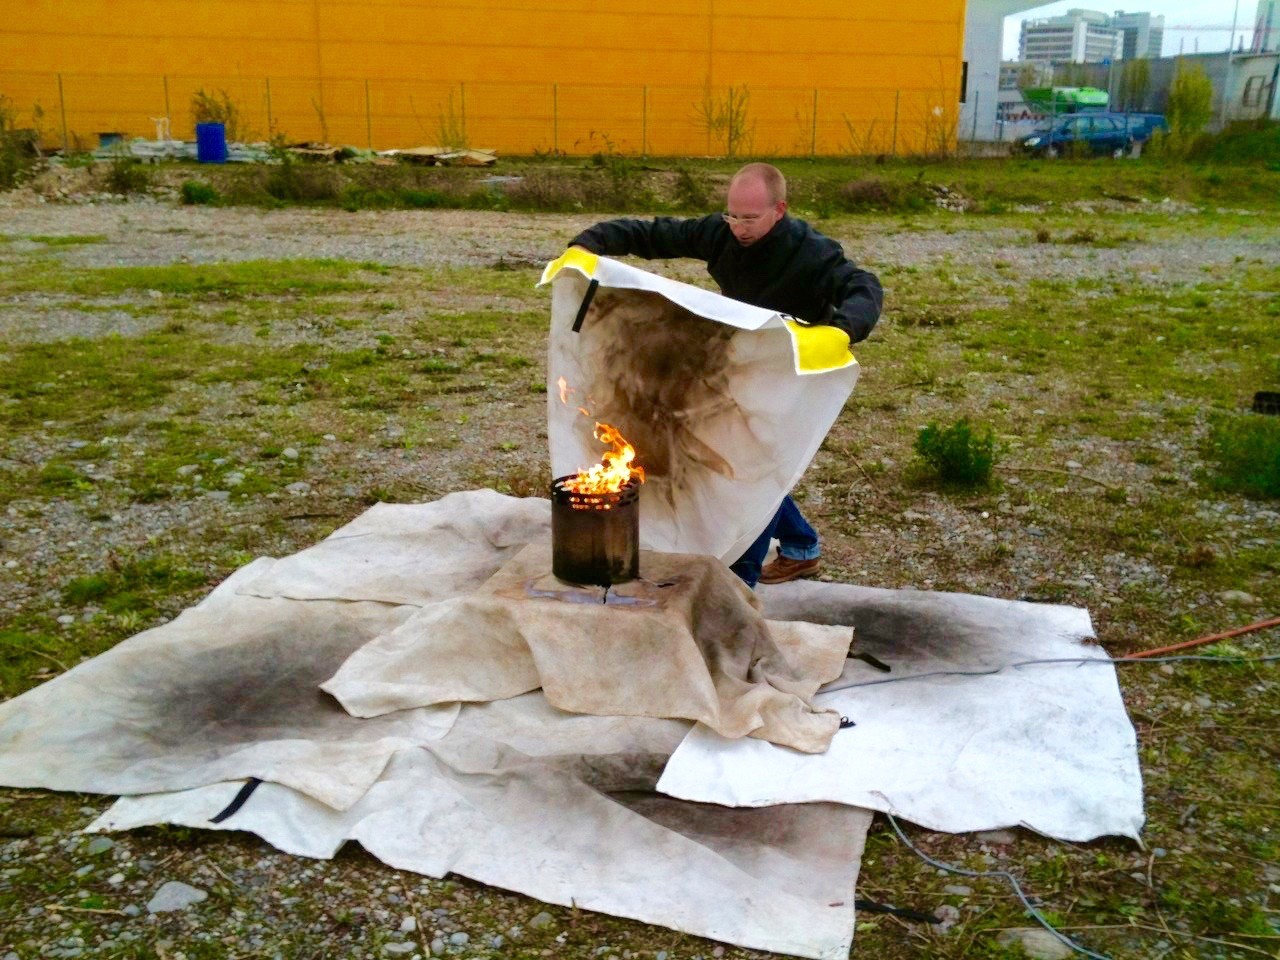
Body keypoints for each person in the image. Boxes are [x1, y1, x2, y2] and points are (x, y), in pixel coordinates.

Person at [568, 162, 883, 588]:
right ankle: (800, 547)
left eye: (750, 218)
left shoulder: (810, 251)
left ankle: (737, 588)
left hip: (795, 369)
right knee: (747, 463)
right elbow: (657, 233)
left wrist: (842, 330)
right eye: (732, 215)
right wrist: (591, 242)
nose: (738, 227)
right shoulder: (721, 233)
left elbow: (863, 285)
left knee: (748, 467)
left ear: (779, 210)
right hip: (742, 357)